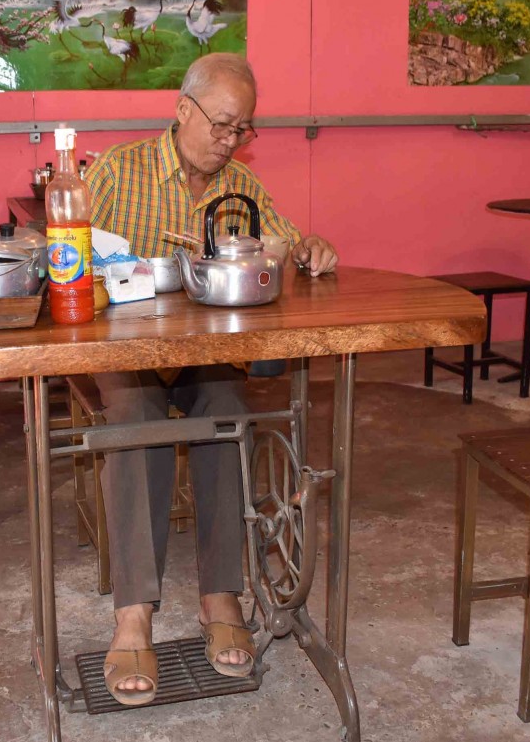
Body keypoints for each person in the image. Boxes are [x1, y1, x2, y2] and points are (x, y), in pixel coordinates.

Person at [82, 52, 338, 706]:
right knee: (136, 420)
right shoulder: (120, 171)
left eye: (242, 130)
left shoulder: (242, 188)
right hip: (125, 349)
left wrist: (308, 248)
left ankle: (219, 593)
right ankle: (133, 612)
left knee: (228, 411)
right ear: (182, 110)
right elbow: (71, 258)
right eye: (222, 124)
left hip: (206, 352)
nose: (231, 140)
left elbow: (282, 240)